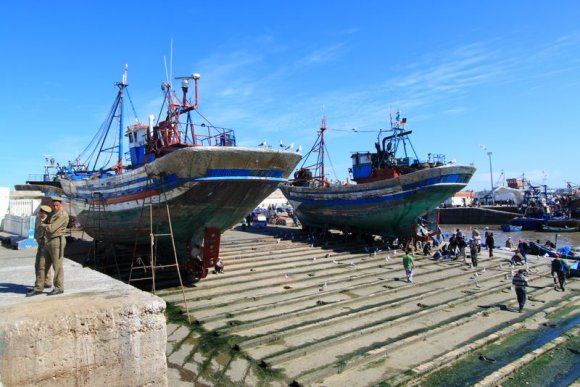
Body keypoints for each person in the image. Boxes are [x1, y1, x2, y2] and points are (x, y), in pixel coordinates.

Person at [40, 197, 69, 295]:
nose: (55, 207)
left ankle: (59, 288)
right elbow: (45, 223)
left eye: (57, 205)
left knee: (57, 266)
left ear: (61, 205)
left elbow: (51, 229)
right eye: (53, 205)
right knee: (43, 264)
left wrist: (46, 226)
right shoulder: (52, 213)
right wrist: (47, 225)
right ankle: (40, 286)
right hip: (48, 240)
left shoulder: (62, 215)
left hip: (57, 241)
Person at [26, 205, 54, 297]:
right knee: (41, 264)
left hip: (46, 245)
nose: (40, 214)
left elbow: (49, 233)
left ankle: (39, 286)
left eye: (41, 213)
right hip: (41, 244)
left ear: (45, 213)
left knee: (40, 266)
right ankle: (46, 282)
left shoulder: (49, 221)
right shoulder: (39, 219)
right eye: (40, 213)